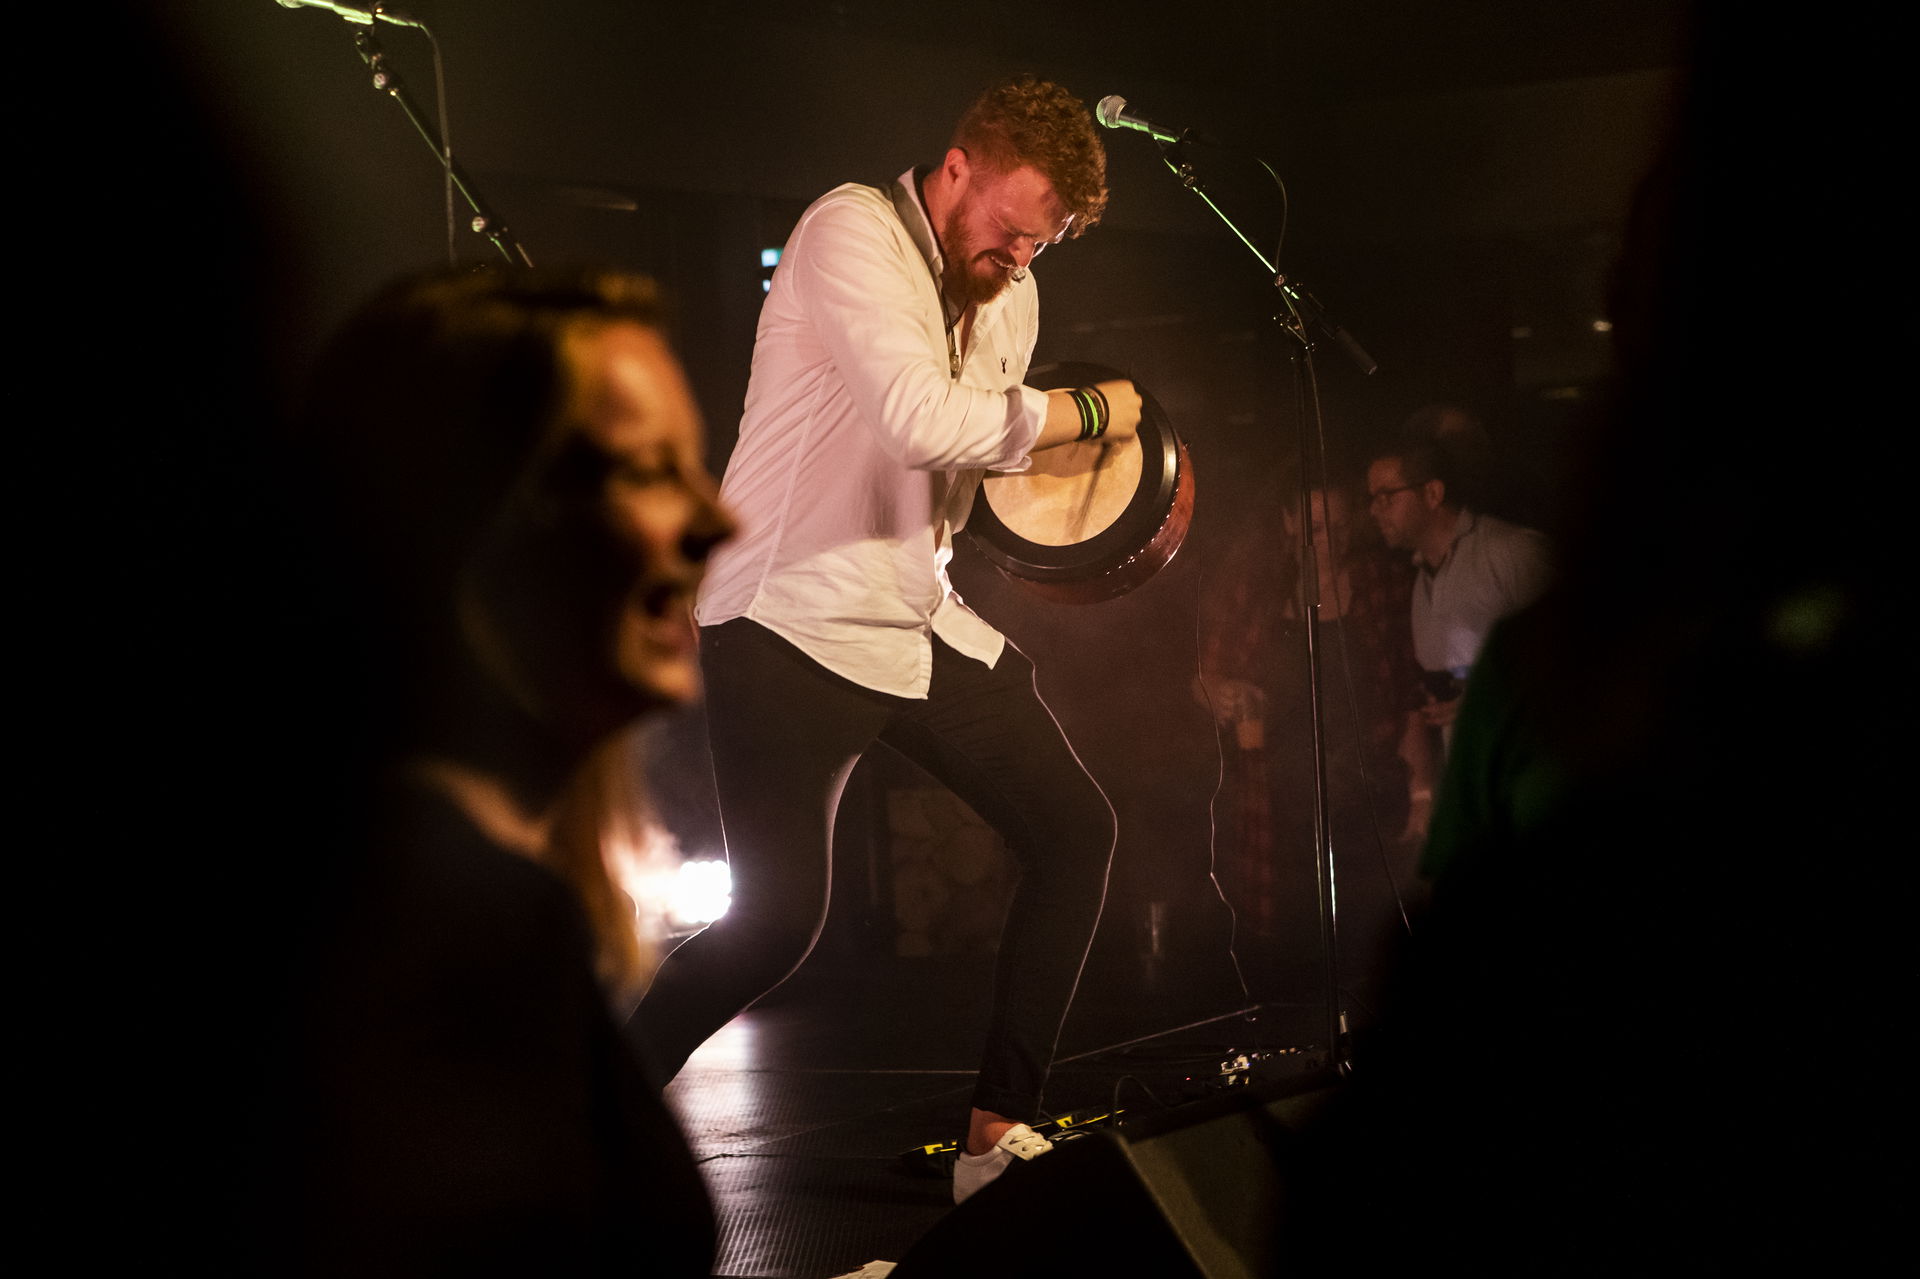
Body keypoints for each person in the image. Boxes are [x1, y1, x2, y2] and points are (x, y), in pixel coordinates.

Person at [627, 76, 1143, 1204]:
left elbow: (969, 469)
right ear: (957, 168)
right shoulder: (848, 229)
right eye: (1010, 230)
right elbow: (918, 421)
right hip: (787, 617)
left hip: (913, 612)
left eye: (1041, 246)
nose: (1017, 259)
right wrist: (1089, 413)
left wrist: (1074, 509)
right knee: (774, 927)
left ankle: (990, 1142)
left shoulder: (1012, 299)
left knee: (1075, 830)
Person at [256, 268, 732, 1273]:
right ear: (484, 517)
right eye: (650, 470)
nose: (716, 522)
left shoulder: (449, 887)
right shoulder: (441, 923)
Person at [1365, 436, 1551, 760]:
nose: (1373, 510)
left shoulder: (1510, 551)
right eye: (1372, 499)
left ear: (1432, 493)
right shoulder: (1421, 578)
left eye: (1386, 497)